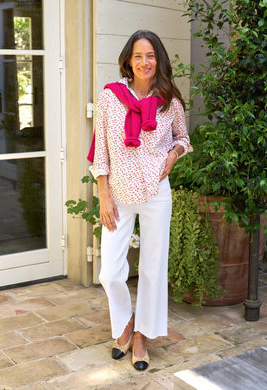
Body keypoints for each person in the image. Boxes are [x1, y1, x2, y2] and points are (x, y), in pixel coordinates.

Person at [87, 30, 192, 371]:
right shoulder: (110, 98)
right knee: (110, 272)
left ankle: (142, 336)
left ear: (159, 60)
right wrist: (103, 194)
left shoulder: (170, 101)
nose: (145, 62)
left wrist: (174, 155)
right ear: (128, 60)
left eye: (151, 56)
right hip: (118, 193)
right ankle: (127, 323)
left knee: (152, 268)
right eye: (138, 56)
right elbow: (100, 150)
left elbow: (182, 137)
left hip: (156, 193)